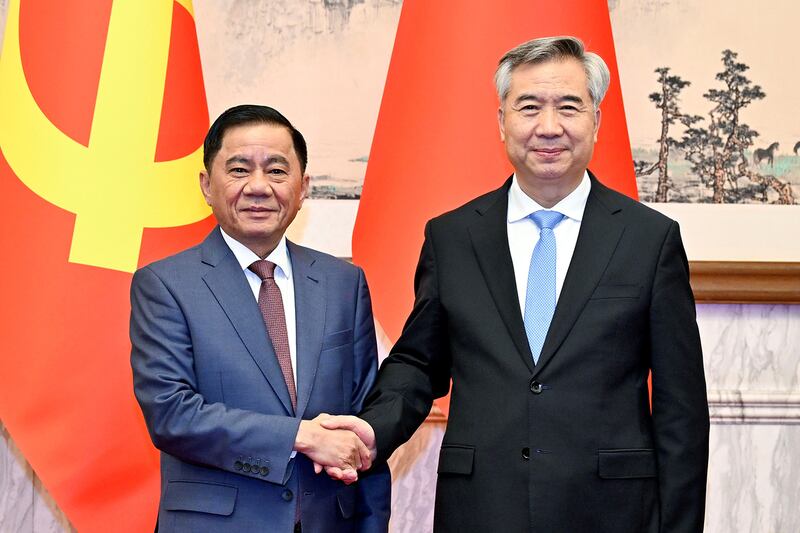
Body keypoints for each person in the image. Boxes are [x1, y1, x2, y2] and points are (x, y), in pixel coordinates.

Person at [322, 36, 709, 532]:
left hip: (612, 513)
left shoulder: (649, 240)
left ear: (596, 119)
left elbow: (682, 409)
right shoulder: (453, 237)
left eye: (569, 107)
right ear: (502, 121)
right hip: (482, 508)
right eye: (529, 107)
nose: (549, 127)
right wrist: (372, 431)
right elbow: (420, 364)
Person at [130, 104, 390, 532]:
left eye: (276, 170)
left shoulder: (345, 283)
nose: (258, 187)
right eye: (238, 170)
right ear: (206, 185)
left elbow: (364, 424)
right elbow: (171, 413)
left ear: (302, 187)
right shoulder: (165, 284)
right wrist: (301, 436)